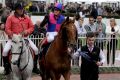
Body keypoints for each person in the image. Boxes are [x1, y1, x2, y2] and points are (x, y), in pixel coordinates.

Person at [2, 3, 39, 75]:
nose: (21, 10)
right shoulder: (10, 18)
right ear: (16, 10)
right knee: (5, 51)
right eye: (19, 9)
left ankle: (34, 67)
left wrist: (27, 31)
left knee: (36, 49)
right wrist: (14, 35)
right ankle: (6, 68)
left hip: (25, 38)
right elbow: (7, 29)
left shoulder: (27, 17)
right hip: (13, 39)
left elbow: (32, 27)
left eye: (22, 9)